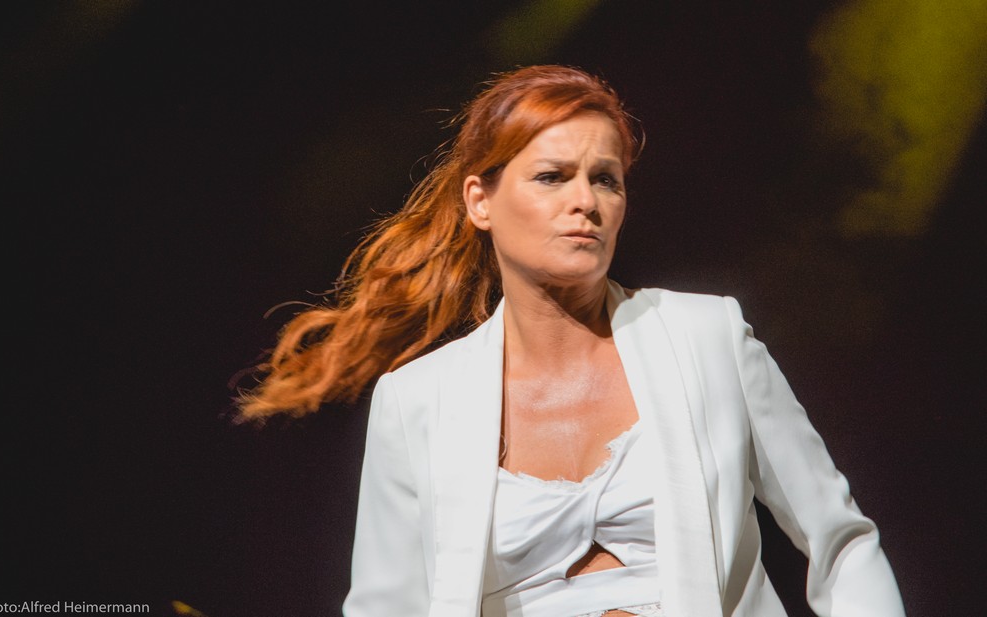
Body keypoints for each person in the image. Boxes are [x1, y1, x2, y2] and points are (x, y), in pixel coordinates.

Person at [236, 65, 905, 617]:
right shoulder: (416, 401)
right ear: (480, 201)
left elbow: (841, 541)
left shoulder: (708, 337)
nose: (585, 200)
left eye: (605, 179)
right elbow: (386, 608)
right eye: (552, 176)